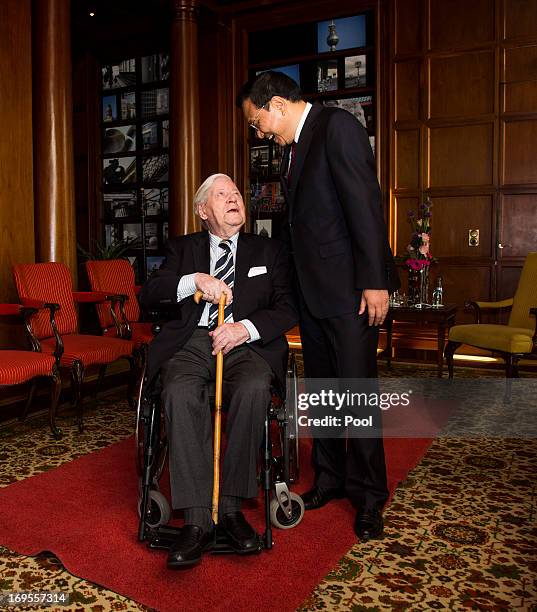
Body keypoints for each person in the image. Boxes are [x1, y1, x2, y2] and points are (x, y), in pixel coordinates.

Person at [237, 71, 400, 541]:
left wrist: (375, 283)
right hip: (312, 295)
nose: (258, 131)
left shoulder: (337, 128)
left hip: (349, 293)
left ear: (278, 105)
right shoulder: (293, 148)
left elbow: (365, 208)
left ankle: (369, 496)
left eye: (257, 121)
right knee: (326, 393)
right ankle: (330, 479)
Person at [139, 174, 297, 568]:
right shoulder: (183, 249)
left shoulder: (269, 251)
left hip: (247, 344)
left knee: (255, 388)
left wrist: (244, 328)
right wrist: (195, 280)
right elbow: (150, 295)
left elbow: (287, 307)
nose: (234, 199)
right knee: (178, 391)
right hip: (192, 342)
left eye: (237, 194)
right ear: (202, 211)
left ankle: (229, 509)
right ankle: (196, 521)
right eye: (222, 195)